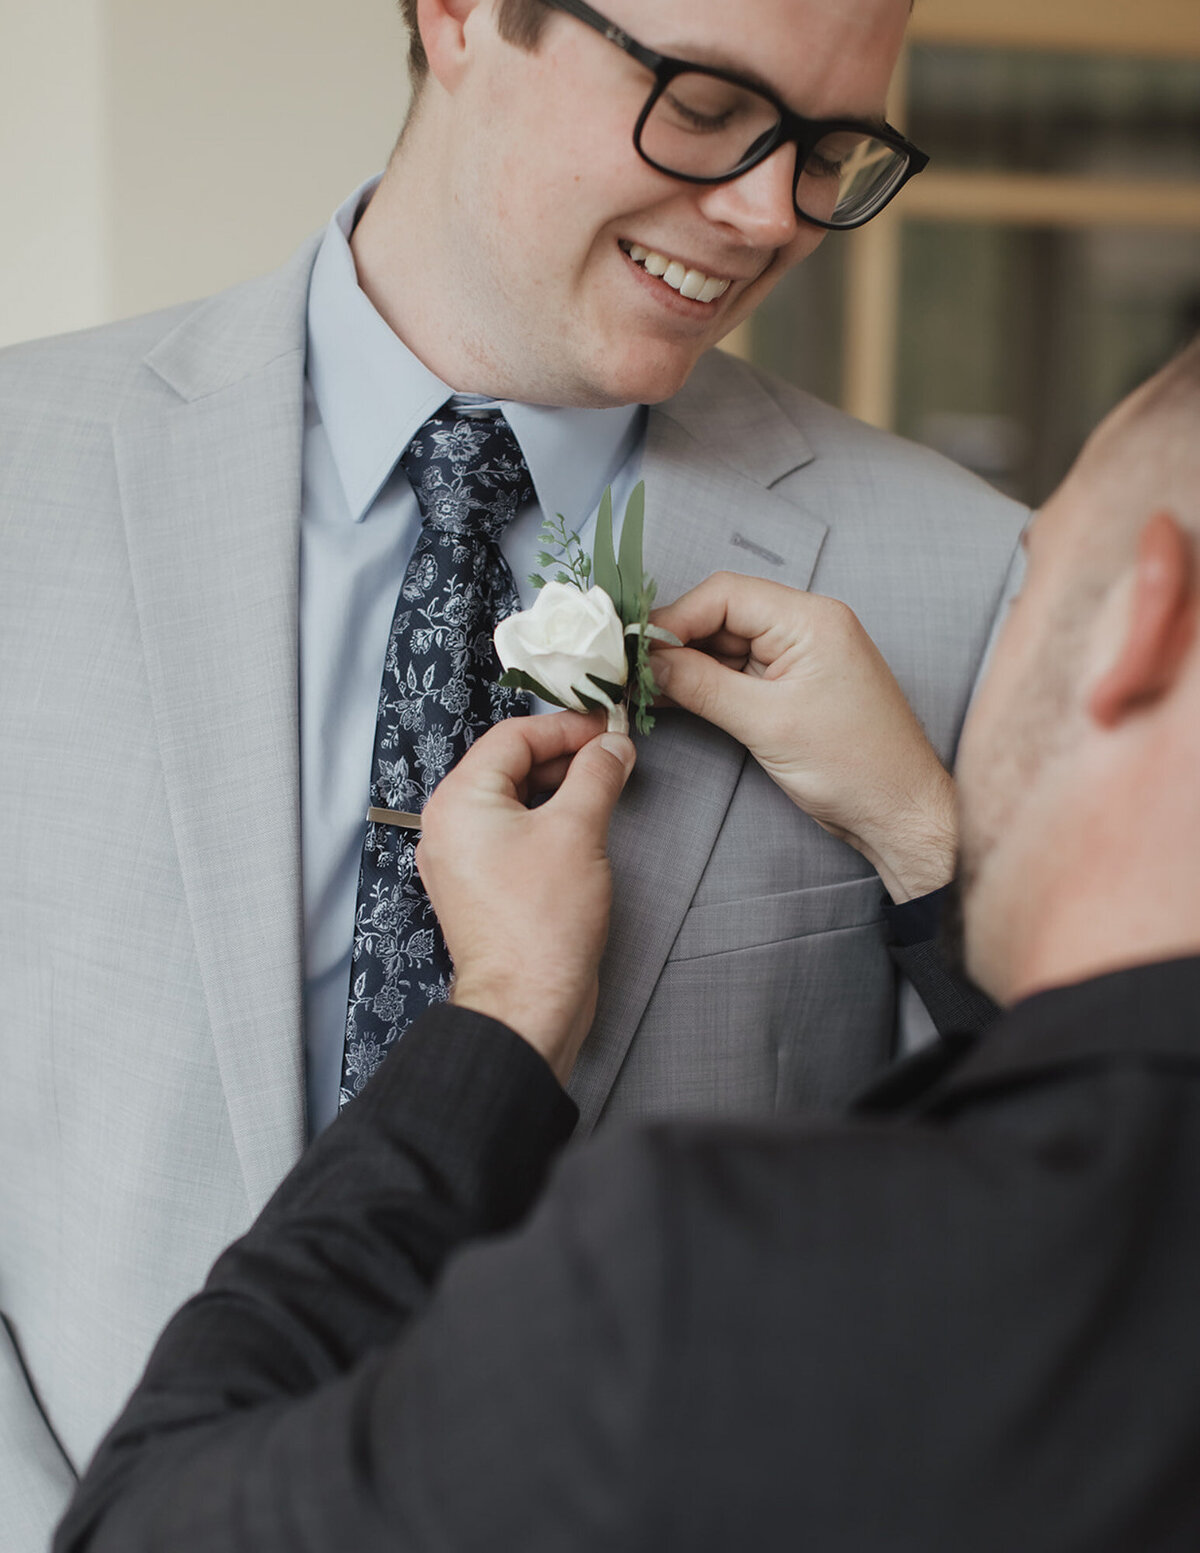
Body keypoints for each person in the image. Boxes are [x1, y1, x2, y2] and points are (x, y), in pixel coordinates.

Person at [0, 0, 1023, 1543]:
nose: (768, 212)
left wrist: (919, 827)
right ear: (462, 15)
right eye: (704, 103)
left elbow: (1040, 1214)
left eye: (830, 150)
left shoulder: (974, 578)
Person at [53, 340, 1200, 1551]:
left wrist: (501, 1009)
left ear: (1143, 615)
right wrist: (919, 829)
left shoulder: (698, 1281)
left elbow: (141, 1523)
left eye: (1048, 576)